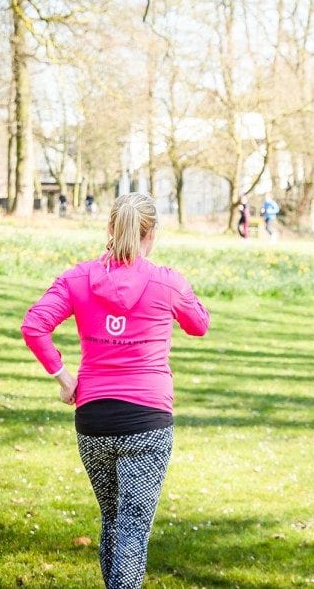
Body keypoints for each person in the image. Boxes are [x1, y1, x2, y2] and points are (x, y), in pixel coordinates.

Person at [21, 192, 210, 588]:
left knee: (114, 521)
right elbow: (199, 325)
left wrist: (64, 378)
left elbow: (34, 325)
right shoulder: (167, 281)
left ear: (109, 228)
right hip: (147, 421)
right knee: (132, 527)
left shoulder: (76, 279)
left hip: (93, 421)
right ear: (152, 233)